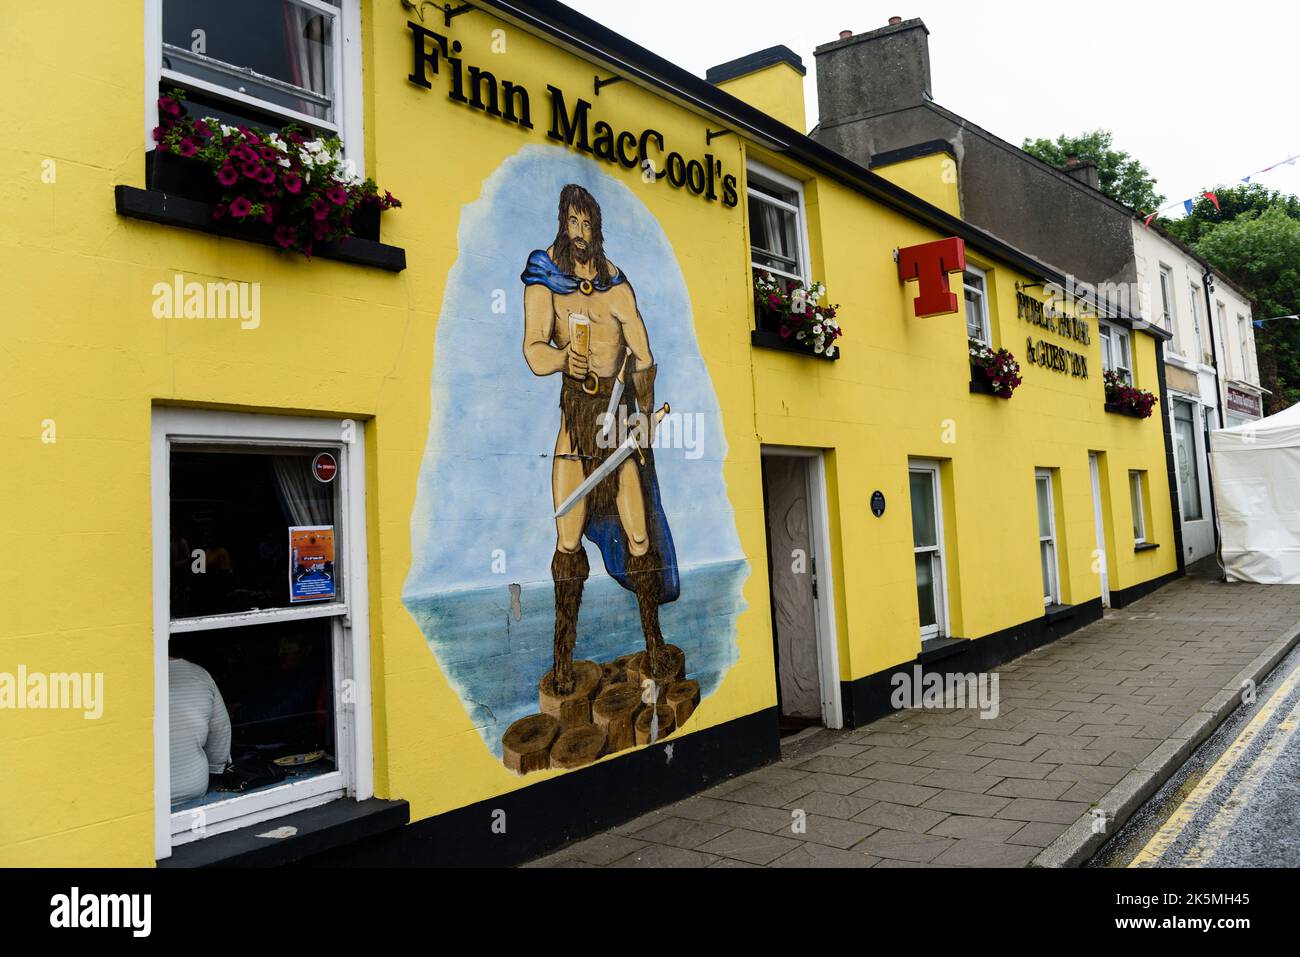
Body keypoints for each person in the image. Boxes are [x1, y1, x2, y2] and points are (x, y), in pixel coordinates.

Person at [520, 184, 680, 695]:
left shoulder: (616, 286)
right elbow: (533, 349)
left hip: (616, 426)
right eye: (573, 223)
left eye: (588, 224)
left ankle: (654, 642)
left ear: (598, 228)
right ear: (562, 224)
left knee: (639, 535)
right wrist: (564, 358)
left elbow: (644, 356)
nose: (581, 234)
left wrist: (646, 413)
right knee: (567, 541)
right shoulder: (545, 275)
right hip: (576, 421)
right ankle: (563, 658)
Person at [168, 655, 231, 805]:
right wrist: (215, 770)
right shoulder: (199, 674)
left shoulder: (117, 675)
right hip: (194, 790)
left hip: (135, 804)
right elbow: (221, 732)